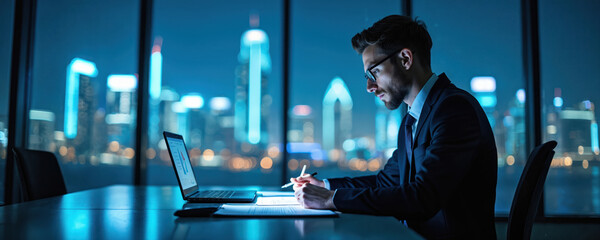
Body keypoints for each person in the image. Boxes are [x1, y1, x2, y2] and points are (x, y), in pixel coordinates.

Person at [291, 15, 498, 239]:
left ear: (405, 59)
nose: (370, 87)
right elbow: (385, 182)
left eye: (375, 72)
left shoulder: (454, 109)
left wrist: (331, 200)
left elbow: (424, 197)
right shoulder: (413, 120)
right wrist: (325, 186)